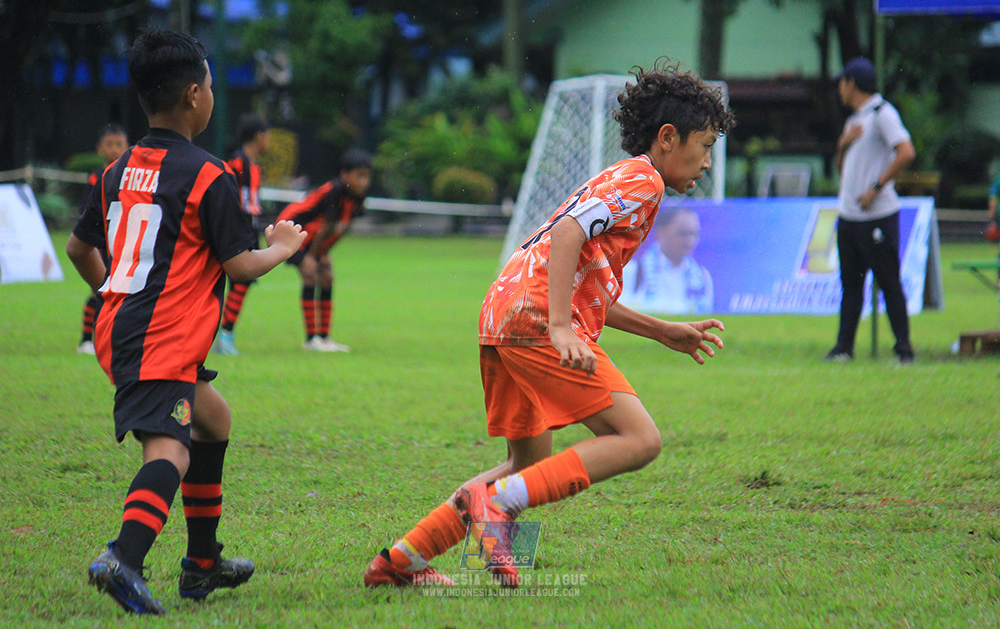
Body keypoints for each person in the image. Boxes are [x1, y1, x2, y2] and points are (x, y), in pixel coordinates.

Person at [363, 61, 733, 590]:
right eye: (706, 145)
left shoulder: (625, 179)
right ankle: (496, 509)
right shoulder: (643, 180)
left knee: (525, 463)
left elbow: (587, 279)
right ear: (668, 137)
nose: (706, 162)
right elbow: (566, 233)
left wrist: (660, 330)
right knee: (640, 439)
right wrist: (560, 327)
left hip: (503, 315)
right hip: (536, 319)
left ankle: (399, 562)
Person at [66, 27, 306, 615]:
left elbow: (78, 248)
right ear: (195, 95)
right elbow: (241, 267)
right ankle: (123, 556)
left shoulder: (117, 169)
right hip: (161, 338)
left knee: (212, 419)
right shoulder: (208, 175)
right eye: (213, 86)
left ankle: (201, 566)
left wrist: (116, 293)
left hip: (126, 327)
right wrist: (282, 246)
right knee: (169, 450)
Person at [825, 57, 916, 364]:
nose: (840, 88)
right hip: (849, 215)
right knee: (851, 284)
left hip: (877, 214)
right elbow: (842, 167)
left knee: (888, 281)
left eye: (842, 82)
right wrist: (843, 146)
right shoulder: (854, 120)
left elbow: (906, 151)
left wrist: (876, 187)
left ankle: (904, 349)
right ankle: (843, 348)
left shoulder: (882, 114)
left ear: (851, 84)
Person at [277, 148, 371, 352]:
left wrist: (324, 253)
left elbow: (344, 227)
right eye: (359, 176)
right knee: (310, 276)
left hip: (313, 241)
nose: (364, 182)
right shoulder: (334, 191)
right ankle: (312, 340)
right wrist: (312, 257)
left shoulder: (358, 196)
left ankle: (325, 337)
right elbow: (325, 227)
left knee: (327, 278)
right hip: (292, 230)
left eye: (367, 177)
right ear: (345, 175)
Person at [213, 114, 271, 355]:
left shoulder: (253, 163)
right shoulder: (237, 163)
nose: (270, 141)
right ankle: (223, 334)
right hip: (237, 226)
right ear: (259, 137)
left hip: (249, 226)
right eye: (268, 136)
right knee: (239, 279)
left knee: (244, 281)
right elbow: (226, 193)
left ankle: (226, 334)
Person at [76, 124, 129, 355]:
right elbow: (87, 211)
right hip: (101, 243)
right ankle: (86, 339)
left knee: (122, 291)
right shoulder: (97, 177)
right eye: (110, 144)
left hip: (124, 242)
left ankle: (114, 338)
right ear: (99, 149)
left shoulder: (129, 176)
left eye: (119, 144)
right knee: (98, 289)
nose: (115, 149)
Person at [620, 206, 713, 314]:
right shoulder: (633, 271)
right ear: (661, 233)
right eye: (683, 234)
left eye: (694, 234)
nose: (690, 241)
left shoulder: (702, 276)